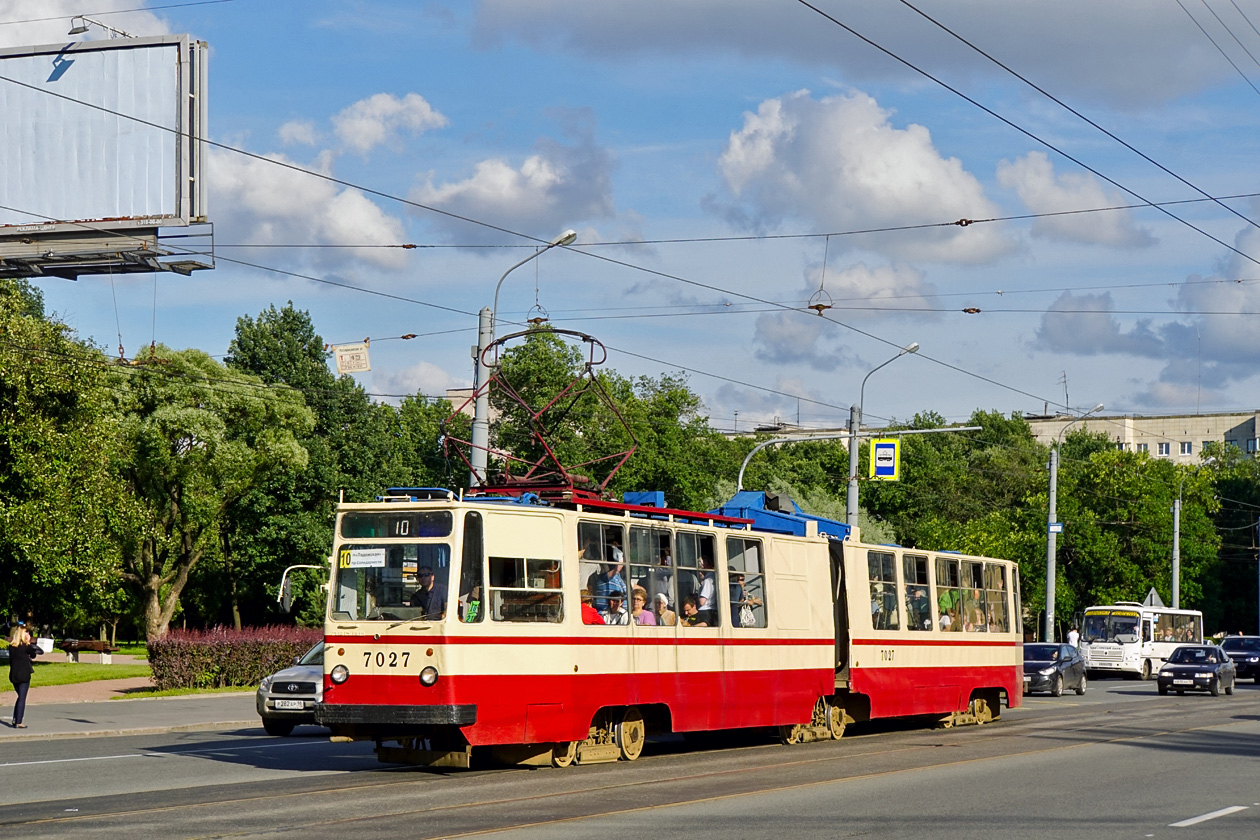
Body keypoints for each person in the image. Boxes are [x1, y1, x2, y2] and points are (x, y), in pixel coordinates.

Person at [7, 623, 39, 728]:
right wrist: (29, 642)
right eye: (26, 633)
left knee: (19, 696)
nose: (28, 634)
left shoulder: (11, 647)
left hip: (14, 675)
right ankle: (18, 721)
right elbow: (34, 655)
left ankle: (15, 718)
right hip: (24, 675)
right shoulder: (26, 647)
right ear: (22, 634)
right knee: (22, 698)